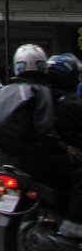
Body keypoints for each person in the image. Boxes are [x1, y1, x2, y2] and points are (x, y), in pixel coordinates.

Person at [0, 44, 82, 239]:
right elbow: (44, 129)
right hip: (34, 160)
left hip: (6, 160)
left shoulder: (4, 91)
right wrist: (63, 148)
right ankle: (73, 224)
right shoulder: (40, 91)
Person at [45, 53, 82, 238]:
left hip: (47, 156)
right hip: (63, 158)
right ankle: (73, 224)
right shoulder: (69, 103)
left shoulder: (45, 99)